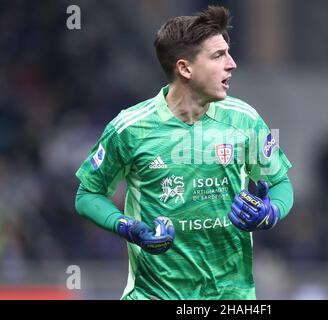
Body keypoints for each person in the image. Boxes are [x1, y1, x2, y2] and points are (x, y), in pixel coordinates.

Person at [74, 5, 294, 300]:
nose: (232, 64)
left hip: (231, 297)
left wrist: (271, 212)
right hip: (153, 295)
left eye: (228, 53)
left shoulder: (245, 120)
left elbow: (281, 183)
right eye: (218, 55)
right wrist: (131, 229)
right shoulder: (130, 128)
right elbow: (87, 195)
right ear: (185, 68)